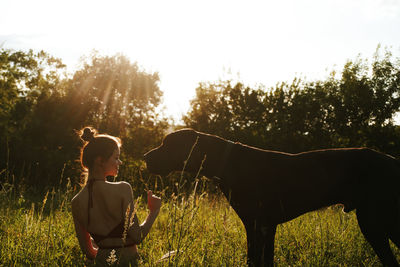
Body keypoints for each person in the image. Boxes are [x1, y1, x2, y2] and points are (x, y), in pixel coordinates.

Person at [71, 127, 161, 266]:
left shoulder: (76, 201)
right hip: (130, 262)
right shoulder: (122, 189)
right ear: (100, 160)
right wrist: (154, 211)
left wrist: (106, 253)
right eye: (116, 158)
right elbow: (137, 236)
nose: (120, 162)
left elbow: (89, 252)